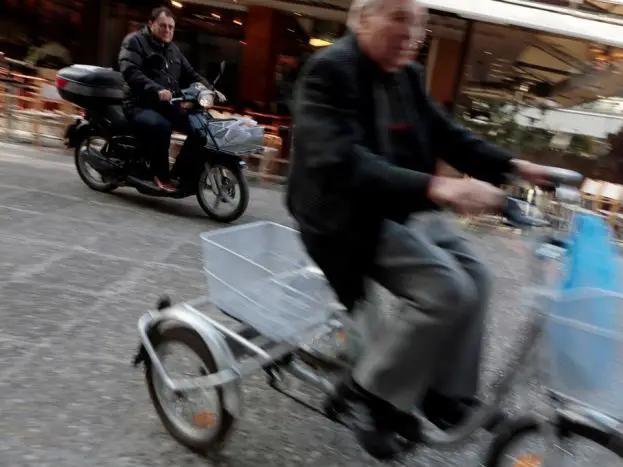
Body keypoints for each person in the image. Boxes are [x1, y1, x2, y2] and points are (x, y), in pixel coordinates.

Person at [285, 0, 550, 460]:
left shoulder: (406, 75)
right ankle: (371, 396)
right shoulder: (330, 70)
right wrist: (441, 188)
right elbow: (342, 162)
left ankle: (447, 397)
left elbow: (447, 135)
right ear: (363, 19)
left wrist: (512, 166)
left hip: (398, 207)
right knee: (445, 289)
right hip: (341, 217)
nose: (413, 33)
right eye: (400, 18)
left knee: (479, 279)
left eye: (421, 24)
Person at [118, 7, 224, 192]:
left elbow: (191, 74)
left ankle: (182, 174)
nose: (168, 30)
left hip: (167, 103)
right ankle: (160, 175)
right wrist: (156, 89)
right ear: (151, 24)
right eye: (163, 25)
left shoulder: (173, 50)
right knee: (161, 126)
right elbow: (130, 71)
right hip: (139, 103)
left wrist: (211, 90)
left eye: (171, 27)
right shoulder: (135, 41)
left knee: (199, 128)